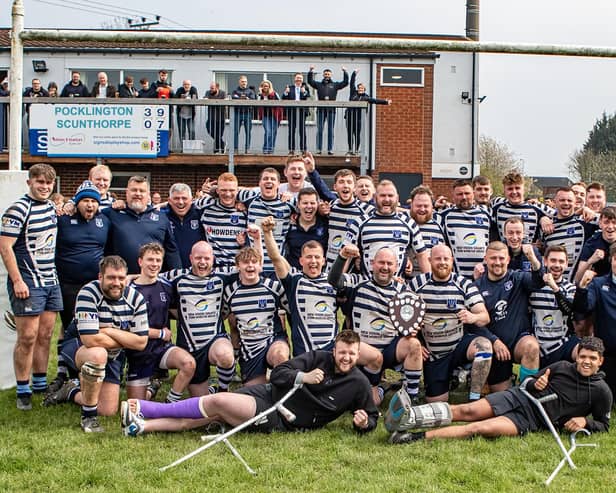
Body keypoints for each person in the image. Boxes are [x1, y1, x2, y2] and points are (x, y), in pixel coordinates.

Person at [121, 330, 378, 437]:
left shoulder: (358, 383)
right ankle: (142, 426)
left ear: (358, 355)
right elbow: (279, 373)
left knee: (218, 402)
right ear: (335, 350)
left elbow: (371, 416)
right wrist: (303, 377)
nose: (346, 358)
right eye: (342, 352)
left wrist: (364, 423)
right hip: (269, 392)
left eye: (351, 354)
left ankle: (146, 408)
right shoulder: (318, 358)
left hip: (282, 416)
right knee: (214, 414)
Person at [388, 337, 612, 444]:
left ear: (600, 361)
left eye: (592, 359)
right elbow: (529, 381)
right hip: (518, 396)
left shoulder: (602, 391)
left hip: (532, 420)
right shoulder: (562, 367)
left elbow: (604, 424)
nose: (586, 362)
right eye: (583, 356)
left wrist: (585, 421)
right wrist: (536, 384)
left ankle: (413, 437)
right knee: (465, 411)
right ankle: (409, 417)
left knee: (478, 428)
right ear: (577, 355)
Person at [43, 256, 148, 432]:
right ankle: (89, 417)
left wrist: (108, 330)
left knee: (107, 410)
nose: (117, 283)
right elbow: (90, 340)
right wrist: (125, 337)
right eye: (111, 278)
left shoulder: (136, 298)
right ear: (100, 277)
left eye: (121, 278)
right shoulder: (88, 293)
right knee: (98, 354)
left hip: (112, 353)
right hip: (77, 346)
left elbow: (141, 342)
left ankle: (70, 391)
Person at [0, 164, 63, 410]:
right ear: (29, 183)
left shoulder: (49, 207)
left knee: (46, 334)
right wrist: (17, 280)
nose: (45, 187)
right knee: (27, 337)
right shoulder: (18, 209)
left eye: (49, 183)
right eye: (40, 183)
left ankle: (39, 383)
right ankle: (22, 388)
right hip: (28, 282)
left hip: (51, 281)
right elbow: (5, 247)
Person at [329, 245, 423, 405]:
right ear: (372, 263)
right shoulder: (358, 284)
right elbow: (334, 280)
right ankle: (380, 388)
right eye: (381, 263)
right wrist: (342, 256)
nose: (385, 267)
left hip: (389, 350)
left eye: (389, 263)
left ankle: (411, 398)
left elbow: (411, 318)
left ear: (396, 266)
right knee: (372, 402)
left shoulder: (403, 290)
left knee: (414, 345)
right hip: (362, 353)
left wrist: (412, 329)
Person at [409, 244, 492, 402]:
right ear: (429, 260)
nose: (442, 262)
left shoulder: (464, 284)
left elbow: (485, 316)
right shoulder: (416, 284)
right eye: (438, 259)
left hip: (458, 347)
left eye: (446, 259)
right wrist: (416, 342)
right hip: (433, 355)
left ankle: (474, 399)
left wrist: (472, 317)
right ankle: (447, 379)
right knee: (436, 403)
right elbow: (403, 316)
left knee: (484, 346)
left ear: (452, 261)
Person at [54, 180, 110, 391]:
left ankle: (94, 370)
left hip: (96, 287)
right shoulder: (63, 219)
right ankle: (69, 374)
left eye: (93, 201)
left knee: (96, 329)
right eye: (85, 201)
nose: (89, 205)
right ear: (77, 203)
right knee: (71, 328)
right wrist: (65, 204)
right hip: (69, 284)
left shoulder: (105, 220)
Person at [163, 241, 236, 396]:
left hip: (215, 339)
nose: (202, 262)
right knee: (201, 403)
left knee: (226, 356)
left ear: (213, 259)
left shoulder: (221, 275)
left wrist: (257, 240)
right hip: (190, 347)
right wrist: (130, 278)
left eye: (206, 258)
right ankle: (208, 389)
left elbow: (252, 265)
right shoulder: (178, 277)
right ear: (190, 258)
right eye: (198, 258)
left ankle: (222, 390)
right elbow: (152, 277)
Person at [126, 243, 195, 402]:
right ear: (140, 262)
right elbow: (126, 328)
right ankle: (151, 389)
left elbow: (176, 311)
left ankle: (170, 402)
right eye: (150, 260)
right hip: (139, 352)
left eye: (158, 260)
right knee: (138, 406)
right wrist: (159, 333)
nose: (154, 264)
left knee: (189, 364)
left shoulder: (167, 286)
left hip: (162, 348)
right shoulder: (128, 290)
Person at [262, 216, 338, 356]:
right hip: (305, 355)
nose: (313, 261)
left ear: (324, 260)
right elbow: (276, 258)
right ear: (301, 260)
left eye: (316, 257)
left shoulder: (333, 282)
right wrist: (267, 233)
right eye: (309, 257)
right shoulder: (295, 281)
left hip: (331, 353)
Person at [473, 241, 543, 392]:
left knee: (531, 347)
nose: (497, 262)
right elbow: (473, 324)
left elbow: (538, 282)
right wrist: (494, 341)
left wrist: (533, 259)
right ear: (485, 259)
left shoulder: (517, 278)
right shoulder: (477, 286)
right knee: (501, 397)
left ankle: (528, 393)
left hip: (518, 341)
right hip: (494, 347)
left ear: (508, 259)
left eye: (501, 258)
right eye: (493, 258)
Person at [223, 246, 289, 385]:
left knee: (280, 356)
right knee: (254, 394)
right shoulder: (230, 292)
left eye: (254, 262)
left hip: (272, 340)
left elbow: (292, 310)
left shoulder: (274, 287)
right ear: (238, 266)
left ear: (260, 265)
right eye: (246, 262)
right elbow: (221, 316)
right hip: (249, 350)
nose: (250, 265)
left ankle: (281, 388)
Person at [346, 180, 429, 278]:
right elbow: (345, 254)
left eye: (390, 196)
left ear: (397, 198)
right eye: (382, 195)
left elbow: (422, 255)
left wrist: (430, 282)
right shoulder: (359, 222)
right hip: (367, 287)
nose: (386, 199)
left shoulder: (409, 223)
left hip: (397, 287)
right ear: (375, 197)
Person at [103, 175, 181, 274]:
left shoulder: (161, 218)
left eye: (142, 191)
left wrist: (177, 276)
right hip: (120, 280)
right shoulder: (112, 214)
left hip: (152, 281)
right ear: (127, 192)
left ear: (148, 195)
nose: (138, 194)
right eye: (134, 190)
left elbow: (171, 250)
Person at [573, 242, 616, 398]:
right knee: (606, 396)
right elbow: (583, 307)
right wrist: (582, 287)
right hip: (608, 353)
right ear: (611, 259)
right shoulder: (598, 284)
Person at [529, 245, 579, 368]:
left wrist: (555, 288)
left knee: (584, 353)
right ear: (545, 261)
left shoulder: (570, 288)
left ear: (567, 264)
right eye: (553, 260)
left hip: (562, 344)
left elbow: (568, 310)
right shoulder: (533, 286)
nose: (557, 265)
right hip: (536, 345)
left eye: (561, 261)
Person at [440, 178, 493, 279]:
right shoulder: (444, 216)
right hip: (457, 278)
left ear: (473, 194)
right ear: (453, 196)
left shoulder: (487, 215)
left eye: (467, 193)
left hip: (483, 277)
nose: (464, 197)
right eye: (459, 194)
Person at [541, 187, 595, 281]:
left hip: (575, 287)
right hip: (552, 285)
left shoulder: (585, 223)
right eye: (562, 200)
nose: (566, 203)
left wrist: (590, 210)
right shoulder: (546, 226)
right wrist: (542, 218)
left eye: (569, 200)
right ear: (555, 202)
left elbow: (608, 220)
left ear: (575, 203)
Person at [198, 172, 247, 271]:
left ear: (237, 191)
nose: (228, 194)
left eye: (231, 190)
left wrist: (244, 243)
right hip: (214, 268)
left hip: (237, 268)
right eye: (223, 190)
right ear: (217, 190)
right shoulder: (205, 206)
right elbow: (182, 203)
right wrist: (159, 206)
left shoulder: (245, 210)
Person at [345, 69, 391, 155]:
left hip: (359, 119)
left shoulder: (366, 97)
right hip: (350, 117)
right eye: (359, 88)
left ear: (364, 89)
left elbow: (375, 101)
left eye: (362, 88)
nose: (360, 89)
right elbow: (351, 84)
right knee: (350, 134)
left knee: (357, 134)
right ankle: (350, 149)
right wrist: (354, 73)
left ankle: (356, 150)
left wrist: (385, 101)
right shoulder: (353, 94)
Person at [160, 183, 206, 269]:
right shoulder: (161, 217)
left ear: (191, 200)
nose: (180, 202)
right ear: (169, 201)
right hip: (169, 274)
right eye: (176, 198)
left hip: (197, 273)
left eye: (184, 198)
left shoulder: (201, 215)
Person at [307, 65, 349, 155]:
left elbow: (345, 83)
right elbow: (310, 81)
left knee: (330, 130)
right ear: (323, 75)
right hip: (321, 110)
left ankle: (330, 149)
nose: (327, 75)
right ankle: (319, 149)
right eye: (325, 74)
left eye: (328, 74)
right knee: (320, 130)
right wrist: (310, 71)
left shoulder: (335, 85)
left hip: (331, 110)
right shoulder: (318, 84)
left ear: (331, 75)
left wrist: (345, 72)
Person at [285, 188, 328, 270]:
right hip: (294, 275)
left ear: (317, 204)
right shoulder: (289, 224)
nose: (309, 206)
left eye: (312, 203)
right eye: (305, 203)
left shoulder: (326, 223)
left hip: (318, 275)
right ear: (298, 204)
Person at [574, 206, 616, 284]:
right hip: (598, 288)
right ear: (600, 224)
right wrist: (590, 261)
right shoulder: (592, 243)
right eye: (606, 222)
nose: (610, 227)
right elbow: (577, 279)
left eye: (614, 223)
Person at [281, 72, 310, 153]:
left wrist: (304, 92)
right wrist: (286, 92)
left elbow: (308, 98)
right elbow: (283, 98)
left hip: (301, 112)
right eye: (297, 78)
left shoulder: (305, 88)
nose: (299, 79)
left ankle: (303, 149)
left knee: (302, 131)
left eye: (300, 78)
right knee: (291, 131)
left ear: (302, 79)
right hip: (292, 112)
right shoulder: (290, 88)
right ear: (294, 79)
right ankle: (291, 149)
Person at [232, 75, 256, 154]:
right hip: (237, 113)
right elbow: (233, 98)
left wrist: (246, 98)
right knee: (235, 132)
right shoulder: (235, 90)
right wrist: (243, 98)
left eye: (245, 82)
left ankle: (247, 149)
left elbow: (253, 99)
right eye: (242, 81)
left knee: (248, 132)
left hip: (247, 113)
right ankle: (235, 149)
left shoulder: (250, 91)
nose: (244, 83)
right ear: (239, 82)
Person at [257, 79, 283, 154]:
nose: (265, 87)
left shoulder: (274, 94)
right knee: (268, 132)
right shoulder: (260, 95)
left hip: (274, 116)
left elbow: (279, 103)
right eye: (264, 86)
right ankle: (266, 149)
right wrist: (260, 93)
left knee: (273, 133)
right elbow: (257, 103)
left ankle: (271, 150)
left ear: (269, 87)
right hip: (265, 116)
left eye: (267, 86)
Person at [204, 81, 227, 154]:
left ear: (217, 88)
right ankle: (223, 144)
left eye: (212, 88)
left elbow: (226, 101)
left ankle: (216, 150)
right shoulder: (208, 92)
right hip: (211, 117)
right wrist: (205, 99)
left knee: (219, 134)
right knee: (209, 130)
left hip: (221, 117)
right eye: (210, 88)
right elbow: (205, 99)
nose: (211, 89)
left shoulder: (222, 93)